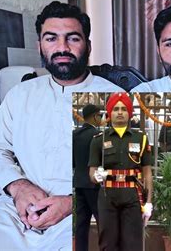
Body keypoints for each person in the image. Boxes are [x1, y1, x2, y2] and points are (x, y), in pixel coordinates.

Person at [0, 1, 121, 250]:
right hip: (15, 209)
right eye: (51, 38)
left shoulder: (114, 99)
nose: (61, 48)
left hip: (82, 212)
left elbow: (125, 170)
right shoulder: (20, 95)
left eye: (73, 38)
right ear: (40, 46)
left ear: (88, 45)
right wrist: (18, 187)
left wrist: (71, 202)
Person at [88, 93, 153, 251]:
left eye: (124, 108)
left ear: (129, 113)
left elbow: (147, 173)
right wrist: (96, 177)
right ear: (109, 113)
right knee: (108, 243)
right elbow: (91, 172)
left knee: (132, 244)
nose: (119, 112)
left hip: (132, 195)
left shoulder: (141, 138)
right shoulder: (98, 139)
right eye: (116, 108)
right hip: (107, 195)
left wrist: (149, 201)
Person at [73, 104, 103, 251]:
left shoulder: (75, 135)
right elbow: (102, 160)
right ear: (94, 116)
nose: (101, 119)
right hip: (94, 184)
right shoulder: (97, 136)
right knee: (101, 220)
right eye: (101, 115)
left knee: (81, 223)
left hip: (79, 183)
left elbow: (72, 161)